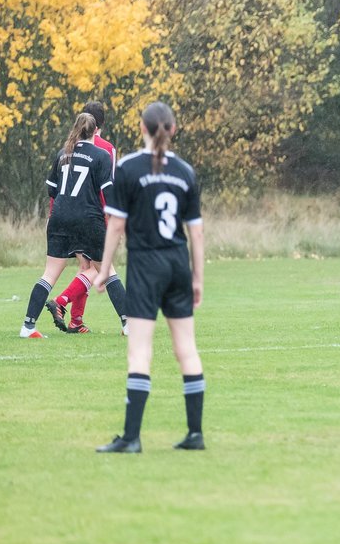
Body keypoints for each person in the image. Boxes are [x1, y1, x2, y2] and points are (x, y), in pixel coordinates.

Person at [94, 102, 206, 453]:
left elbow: (116, 225)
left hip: (145, 265)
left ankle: (131, 438)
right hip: (176, 263)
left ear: (141, 128)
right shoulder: (185, 172)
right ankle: (195, 434)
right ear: (172, 130)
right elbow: (197, 234)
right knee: (186, 349)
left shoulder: (128, 167)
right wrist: (197, 278)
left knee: (140, 351)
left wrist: (102, 270)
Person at [19, 113, 114, 338]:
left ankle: (29, 325)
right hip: (90, 218)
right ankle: (127, 323)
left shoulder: (63, 154)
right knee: (104, 270)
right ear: (96, 130)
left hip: (60, 217)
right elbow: (109, 193)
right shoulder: (104, 151)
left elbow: (51, 190)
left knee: (51, 274)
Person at [47, 100, 128, 334]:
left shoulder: (70, 147)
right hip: (95, 216)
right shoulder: (106, 149)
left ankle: (76, 320)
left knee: (86, 268)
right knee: (100, 268)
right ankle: (62, 303)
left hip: (66, 214)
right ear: (101, 123)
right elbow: (108, 186)